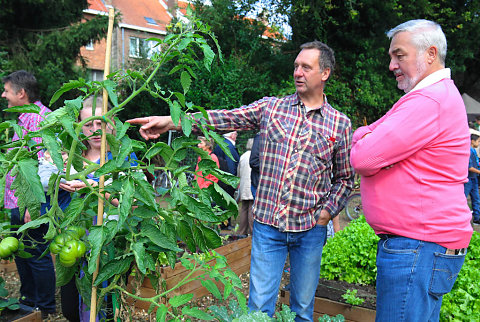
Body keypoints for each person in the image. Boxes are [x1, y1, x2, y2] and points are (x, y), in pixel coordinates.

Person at [127, 40, 354, 322]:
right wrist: (171, 121)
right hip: (269, 228)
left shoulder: (339, 125)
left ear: (325, 73)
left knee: (303, 311)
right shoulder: (271, 109)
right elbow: (225, 117)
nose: (298, 72)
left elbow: (345, 179)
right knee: (258, 310)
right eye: (296, 65)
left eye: (306, 67)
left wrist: (326, 213)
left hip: (309, 230)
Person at [350, 19, 473, 321]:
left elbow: (363, 157)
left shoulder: (428, 100)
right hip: (423, 245)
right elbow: (365, 141)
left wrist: (365, 140)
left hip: (417, 246)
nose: (392, 64)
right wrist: (365, 138)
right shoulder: (429, 97)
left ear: (430, 54)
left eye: (399, 55)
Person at [58, 95, 138, 321]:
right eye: (88, 124)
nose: (94, 130)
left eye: (100, 123)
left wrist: (92, 184)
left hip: (108, 245)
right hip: (74, 241)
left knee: (106, 307)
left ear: (111, 124)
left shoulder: (124, 157)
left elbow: (131, 203)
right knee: (71, 308)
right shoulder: (71, 156)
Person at [1, 70, 55, 317]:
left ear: (21, 93)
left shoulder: (40, 119)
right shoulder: (23, 118)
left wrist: (30, 207)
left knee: (36, 255)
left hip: (29, 203)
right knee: (22, 254)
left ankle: (43, 307)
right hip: (16, 200)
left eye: (7, 90)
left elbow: (43, 167)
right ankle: (28, 301)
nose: (4, 95)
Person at [236, 138, 254, 235]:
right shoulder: (255, 155)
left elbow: (238, 172)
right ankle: (252, 231)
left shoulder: (243, 156)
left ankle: (241, 231)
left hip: (243, 185)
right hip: (251, 185)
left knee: (244, 209)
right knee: (251, 208)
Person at [465, 134, 480, 225]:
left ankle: (476, 218)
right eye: (478, 141)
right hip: (468, 179)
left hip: (474, 178)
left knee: (476, 198)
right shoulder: (468, 151)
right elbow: (469, 167)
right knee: (464, 198)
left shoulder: (473, 150)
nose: (478, 143)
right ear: (472, 141)